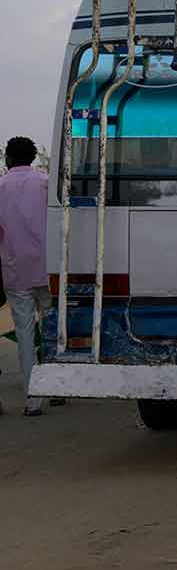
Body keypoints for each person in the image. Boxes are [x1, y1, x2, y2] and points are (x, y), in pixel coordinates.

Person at [0, 137, 53, 416]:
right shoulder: (46, 183)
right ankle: (57, 389)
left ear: (8, 158)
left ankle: (33, 401)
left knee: (24, 335)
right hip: (48, 270)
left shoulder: (1, 187)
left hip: (15, 271)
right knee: (53, 330)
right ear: (32, 157)